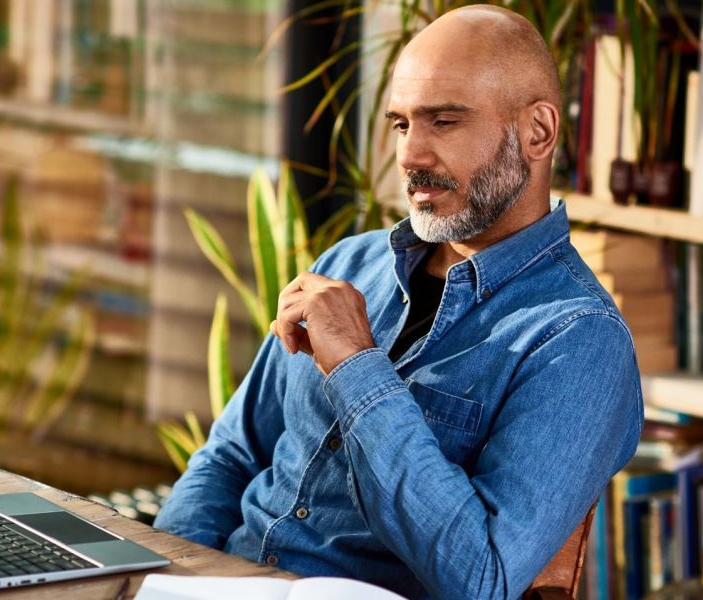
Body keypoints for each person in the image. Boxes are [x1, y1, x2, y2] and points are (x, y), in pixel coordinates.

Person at [155, 5, 642, 599]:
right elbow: (230, 456)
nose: (410, 157)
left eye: (444, 122)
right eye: (401, 124)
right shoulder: (347, 264)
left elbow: (481, 579)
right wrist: (172, 575)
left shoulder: (578, 340)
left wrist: (358, 367)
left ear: (537, 132)